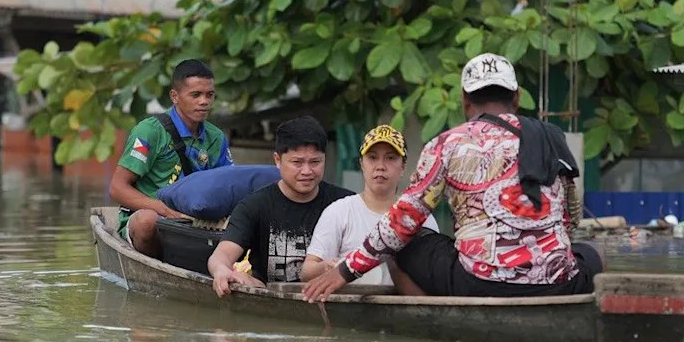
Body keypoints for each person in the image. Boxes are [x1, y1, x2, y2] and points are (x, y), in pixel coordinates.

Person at [304, 52, 603, 302]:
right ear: (517, 97)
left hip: (479, 284)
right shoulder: (551, 136)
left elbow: (401, 224)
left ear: (464, 99)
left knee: (402, 243)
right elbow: (568, 219)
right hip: (557, 283)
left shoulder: (446, 144)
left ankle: (431, 321)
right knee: (590, 253)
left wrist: (344, 271)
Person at [207, 115, 353, 297]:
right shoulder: (255, 206)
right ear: (277, 160)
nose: (307, 171)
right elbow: (221, 256)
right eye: (297, 162)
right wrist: (221, 271)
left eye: (315, 162)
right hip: (269, 299)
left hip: (334, 298)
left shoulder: (346, 204)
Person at [110, 59, 233, 256]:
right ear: (175, 96)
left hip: (197, 219)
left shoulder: (217, 137)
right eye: (195, 95)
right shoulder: (149, 132)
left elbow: (229, 185)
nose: (204, 101)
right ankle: (158, 261)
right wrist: (164, 210)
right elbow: (117, 188)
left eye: (209, 95)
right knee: (146, 221)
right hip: (154, 217)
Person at [301, 124, 439, 286]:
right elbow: (306, 271)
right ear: (361, 164)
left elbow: (433, 274)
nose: (380, 166)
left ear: (403, 167)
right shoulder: (340, 211)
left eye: (390, 158)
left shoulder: (420, 217)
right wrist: (328, 267)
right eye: (372, 157)